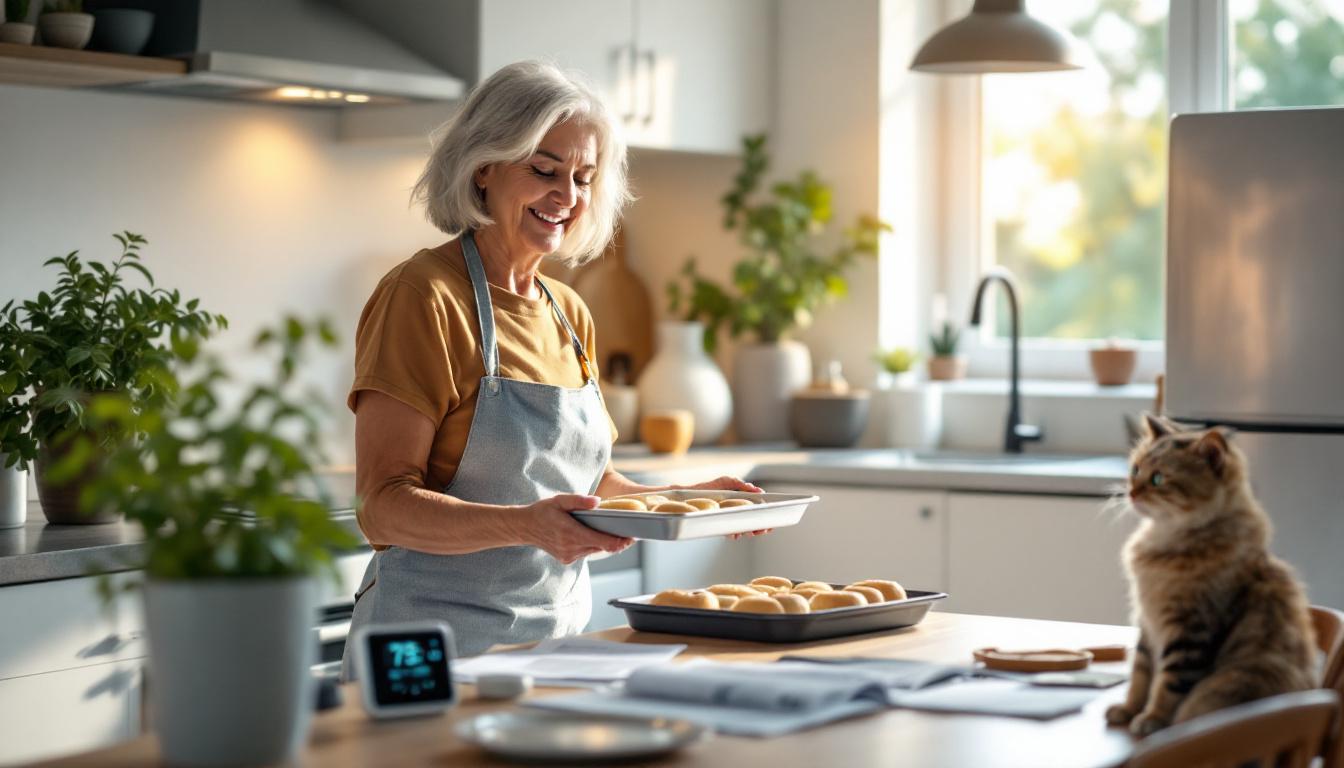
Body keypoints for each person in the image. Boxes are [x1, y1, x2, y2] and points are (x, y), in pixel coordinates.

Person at [342, 61, 763, 670]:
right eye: (544, 171)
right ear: (484, 168)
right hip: (430, 649)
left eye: (584, 178)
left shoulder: (568, 310)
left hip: (555, 648)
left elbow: (591, 488)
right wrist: (528, 526)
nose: (567, 198)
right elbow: (380, 505)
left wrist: (693, 502)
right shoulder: (424, 295)